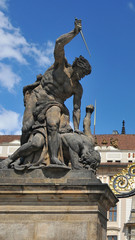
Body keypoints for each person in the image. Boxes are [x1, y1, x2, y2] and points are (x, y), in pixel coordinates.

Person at [20, 19, 91, 166]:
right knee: (26, 127)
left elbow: (76, 108)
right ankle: (21, 157)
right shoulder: (61, 65)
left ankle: (54, 158)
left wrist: (77, 128)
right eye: (82, 73)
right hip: (39, 95)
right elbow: (59, 43)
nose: (82, 77)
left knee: (53, 125)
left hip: (56, 104)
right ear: (77, 66)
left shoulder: (77, 88)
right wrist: (74, 32)